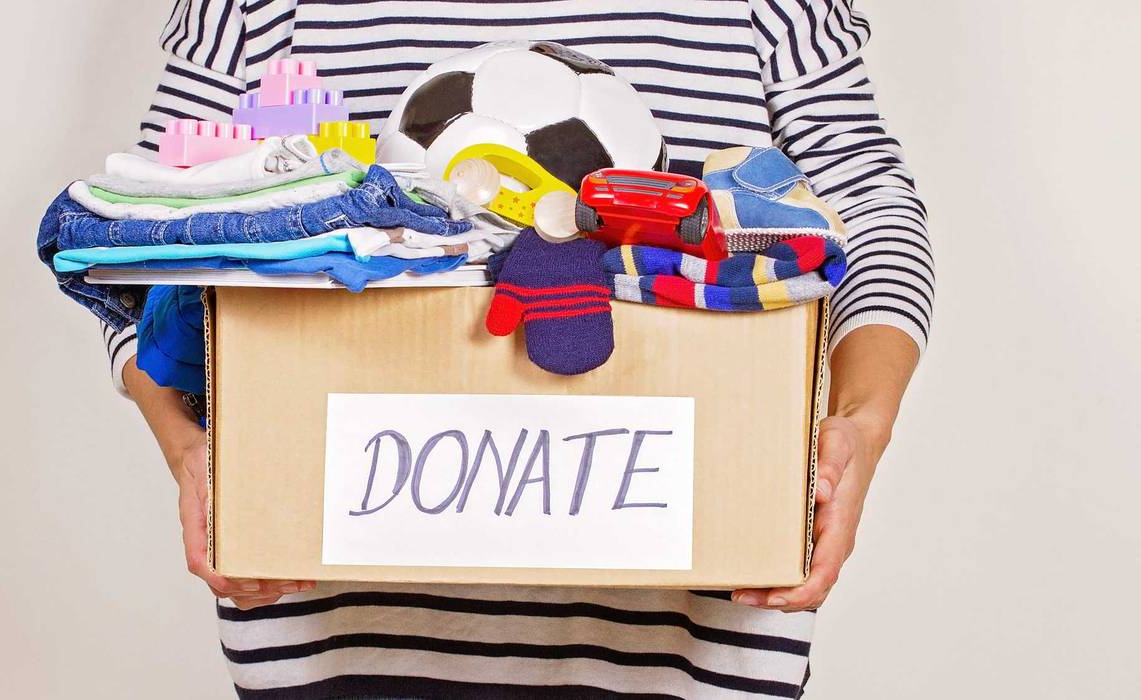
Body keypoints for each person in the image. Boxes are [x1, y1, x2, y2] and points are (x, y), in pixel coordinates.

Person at [110, 2, 931, 697]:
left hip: (691, 631)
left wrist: (861, 423)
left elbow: (864, 203)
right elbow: (136, 225)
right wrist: (187, 445)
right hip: (338, 624)